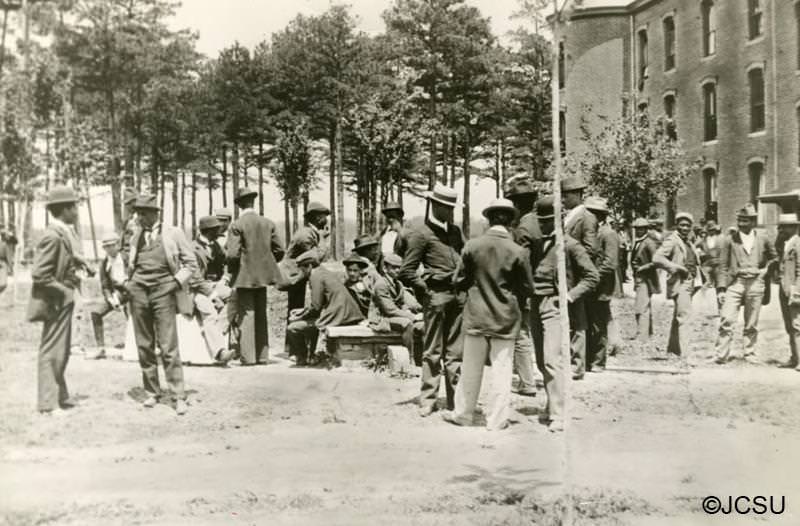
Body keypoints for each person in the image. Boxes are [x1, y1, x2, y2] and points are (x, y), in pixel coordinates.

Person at [443, 199, 535, 431]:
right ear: (511, 222)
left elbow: (458, 280)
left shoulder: (473, 246)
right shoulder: (518, 251)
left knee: (471, 368)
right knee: (502, 371)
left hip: (476, 314)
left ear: (489, 219)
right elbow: (527, 288)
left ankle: (463, 415)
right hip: (505, 317)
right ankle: (496, 421)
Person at [529, 196, 599, 432]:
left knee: (552, 359)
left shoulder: (570, 245)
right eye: (541, 221)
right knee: (540, 359)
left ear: (559, 220)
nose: (544, 225)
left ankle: (558, 413)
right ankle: (552, 404)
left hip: (555, 306)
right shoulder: (537, 244)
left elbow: (592, 276)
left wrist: (569, 296)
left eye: (549, 221)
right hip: (535, 303)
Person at [126, 194, 197, 415]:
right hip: (138, 292)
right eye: (138, 213)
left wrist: (175, 283)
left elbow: (191, 264)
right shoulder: (135, 235)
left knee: (168, 346)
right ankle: (152, 392)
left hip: (163, 292)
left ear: (156, 213)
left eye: (144, 213)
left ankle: (178, 395)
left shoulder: (173, 233)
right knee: (144, 344)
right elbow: (131, 263)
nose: (140, 217)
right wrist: (129, 284)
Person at [399, 183, 465, 417]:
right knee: (432, 350)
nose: (451, 211)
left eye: (452, 207)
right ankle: (428, 398)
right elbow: (406, 270)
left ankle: (456, 399)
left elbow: (463, 259)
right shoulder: (421, 234)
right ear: (435, 206)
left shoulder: (455, 233)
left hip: (458, 297)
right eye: (446, 207)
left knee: (456, 352)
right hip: (436, 296)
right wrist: (426, 291)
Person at [26, 187, 83, 415]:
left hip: (62, 300)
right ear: (65, 209)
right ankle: (48, 404)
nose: (77, 211)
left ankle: (59, 395)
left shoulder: (61, 232)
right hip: (56, 301)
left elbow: (62, 257)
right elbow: (39, 274)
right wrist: (64, 292)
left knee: (62, 350)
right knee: (52, 350)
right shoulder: (52, 235)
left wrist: (79, 261)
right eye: (74, 207)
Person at [226, 188, 285, 366]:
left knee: (247, 314)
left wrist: (232, 272)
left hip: (245, 276)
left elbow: (233, 255)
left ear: (239, 205)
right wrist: (267, 264)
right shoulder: (268, 223)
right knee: (261, 313)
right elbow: (280, 250)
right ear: (252, 203)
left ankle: (248, 357)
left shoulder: (237, 225)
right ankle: (262, 356)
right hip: (264, 276)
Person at [713, 204, 777, 364]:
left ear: (753, 221)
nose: (742, 224)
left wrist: (765, 270)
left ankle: (749, 352)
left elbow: (774, 257)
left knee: (751, 322)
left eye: (746, 220)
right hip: (735, 283)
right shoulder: (730, 240)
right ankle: (721, 355)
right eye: (740, 220)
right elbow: (722, 265)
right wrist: (721, 289)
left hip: (756, 283)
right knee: (727, 319)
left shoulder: (763, 238)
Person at [286, 250, 364, 365]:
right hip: (346, 314)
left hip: (339, 316)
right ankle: (310, 355)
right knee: (308, 322)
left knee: (293, 327)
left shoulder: (315, 276)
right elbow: (319, 304)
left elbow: (316, 307)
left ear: (310, 266)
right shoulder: (323, 272)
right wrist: (301, 311)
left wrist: (298, 316)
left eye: (303, 268)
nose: (302, 272)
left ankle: (303, 357)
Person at [505, 176, 540, 397]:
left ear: (517, 205)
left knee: (520, 334)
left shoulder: (523, 228)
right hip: (539, 285)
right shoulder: (538, 221)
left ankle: (527, 382)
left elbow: (522, 262)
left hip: (525, 288)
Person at [561, 175, 598, 380]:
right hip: (566, 273)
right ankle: (571, 361)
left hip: (577, 275)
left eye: (566, 195)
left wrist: (574, 256)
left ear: (577, 195)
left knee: (578, 321)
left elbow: (591, 249)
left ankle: (577, 365)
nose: (563, 200)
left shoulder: (586, 217)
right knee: (571, 320)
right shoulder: (569, 216)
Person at [653, 212, 700, 356]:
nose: (685, 228)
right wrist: (676, 267)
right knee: (685, 316)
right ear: (677, 225)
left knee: (679, 314)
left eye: (688, 225)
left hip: (690, 281)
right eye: (682, 225)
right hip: (680, 281)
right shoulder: (672, 240)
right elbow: (657, 258)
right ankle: (686, 353)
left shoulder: (688, 241)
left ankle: (673, 349)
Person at [191, 216, 235, 364]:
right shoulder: (192, 249)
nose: (220, 231)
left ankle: (217, 330)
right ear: (209, 231)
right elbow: (195, 279)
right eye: (217, 230)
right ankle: (220, 352)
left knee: (236, 296)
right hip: (198, 289)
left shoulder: (216, 246)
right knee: (209, 310)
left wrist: (225, 279)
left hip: (216, 284)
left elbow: (228, 263)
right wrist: (213, 295)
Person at [584, 197, 619, 372]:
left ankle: (598, 361)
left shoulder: (608, 234)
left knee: (599, 325)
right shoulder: (592, 233)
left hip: (601, 287)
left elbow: (610, 263)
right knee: (589, 323)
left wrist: (593, 277)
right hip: (590, 286)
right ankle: (589, 359)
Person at [285, 202, 331, 322]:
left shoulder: (311, 232)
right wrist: (322, 239)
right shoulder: (305, 234)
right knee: (295, 309)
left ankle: (296, 337)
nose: (326, 219)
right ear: (318, 217)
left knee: (297, 308)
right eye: (324, 216)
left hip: (299, 275)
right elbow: (316, 258)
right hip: (295, 277)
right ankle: (293, 339)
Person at [87, 234, 129, 360]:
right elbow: (105, 285)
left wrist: (122, 294)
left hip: (132, 291)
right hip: (116, 295)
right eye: (106, 247)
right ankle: (101, 349)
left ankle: (145, 346)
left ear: (118, 245)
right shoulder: (105, 263)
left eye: (112, 245)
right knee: (95, 313)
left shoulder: (127, 258)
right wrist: (111, 298)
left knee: (134, 316)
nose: (109, 249)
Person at [776, 213, 800, 371]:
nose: (782, 229)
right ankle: (794, 357)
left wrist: (797, 290)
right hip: (784, 288)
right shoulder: (785, 242)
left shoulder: (797, 243)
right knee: (789, 325)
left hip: (794, 289)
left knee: (797, 324)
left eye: (785, 226)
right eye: (782, 226)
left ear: (794, 227)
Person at [630, 218, 660, 341]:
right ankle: (648, 332)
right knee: (643, 304)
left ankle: (642, 335)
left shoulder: (649, 242)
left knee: (641, 306)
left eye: (641, 229)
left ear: (646, 229)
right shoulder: (638, 242)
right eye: (637, 229)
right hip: (639, 277)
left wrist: (643, 268)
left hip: (646, 278)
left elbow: (657, 260)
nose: (638, 231)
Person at [696, 220, 724, 311]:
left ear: (715, 230)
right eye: (710, 230)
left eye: (713, 230)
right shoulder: (703, 240)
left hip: (719, 264)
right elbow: (694, 246)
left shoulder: (721, 238)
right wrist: (700, 252)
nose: (711, 231)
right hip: (708, 264)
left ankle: (720, 308)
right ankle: (702, 307)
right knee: (703, 283)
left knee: (720, 287)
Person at [343, 253, 371, 317]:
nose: (352, 273)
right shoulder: (345, 285)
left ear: (360, 271)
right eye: (349, 270)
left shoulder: (366, 285)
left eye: (355, 271)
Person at [0, 223, 14, 297]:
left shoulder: (5, 243)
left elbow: (8, 256)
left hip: (3, 263)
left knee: (3, 284)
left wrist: (10, 269)